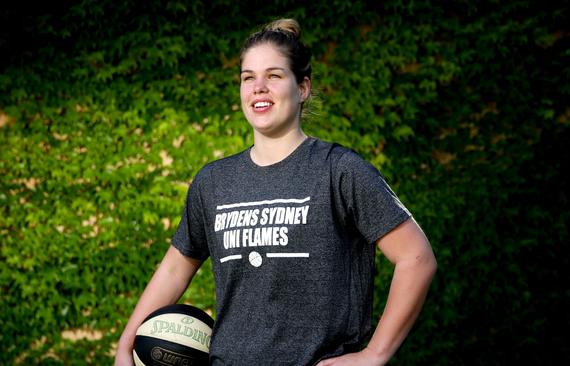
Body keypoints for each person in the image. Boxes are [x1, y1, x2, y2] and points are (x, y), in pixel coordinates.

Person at [115, 18, 436, 366]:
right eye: (248, 77)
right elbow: (175, 270)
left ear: (303, 88)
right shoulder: (213, 182)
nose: (258, 88)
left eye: (274, 75)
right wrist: (124, 346)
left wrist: (375, 354)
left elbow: (417, 259)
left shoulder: (338, 170)